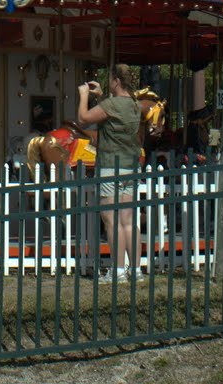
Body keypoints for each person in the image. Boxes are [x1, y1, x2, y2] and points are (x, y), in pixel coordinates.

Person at [77, 63, 142, 283]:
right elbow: (110, 113)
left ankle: (117, 270)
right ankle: (135, 269)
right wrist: (102, 96)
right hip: (130, 166)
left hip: (110, 166)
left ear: (115, 81)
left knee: (111, 219)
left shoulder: (112, 105)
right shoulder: (134, 104)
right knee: (128, 221)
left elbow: (84, 118)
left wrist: (84, 95)